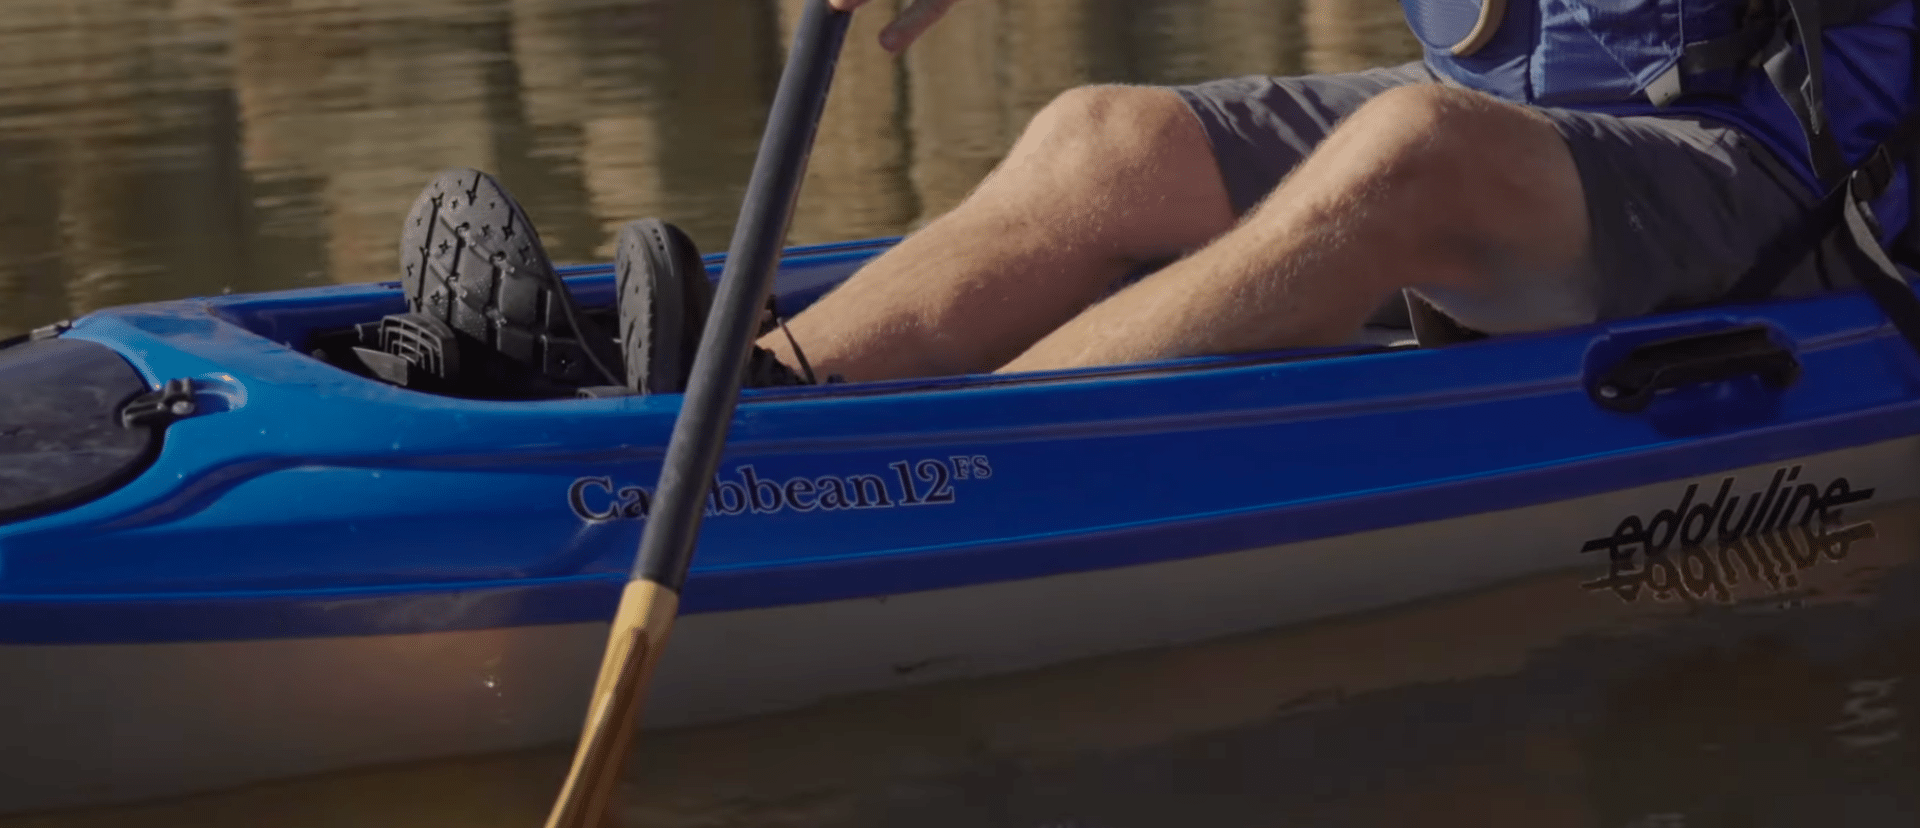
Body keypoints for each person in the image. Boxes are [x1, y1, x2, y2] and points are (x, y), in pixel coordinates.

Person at [395, 0, 1920, 397]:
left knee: (1408, 159)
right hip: (1529, 132)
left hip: (1774, 188)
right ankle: (751, 399)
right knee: (1100, 138)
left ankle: (924, 467)